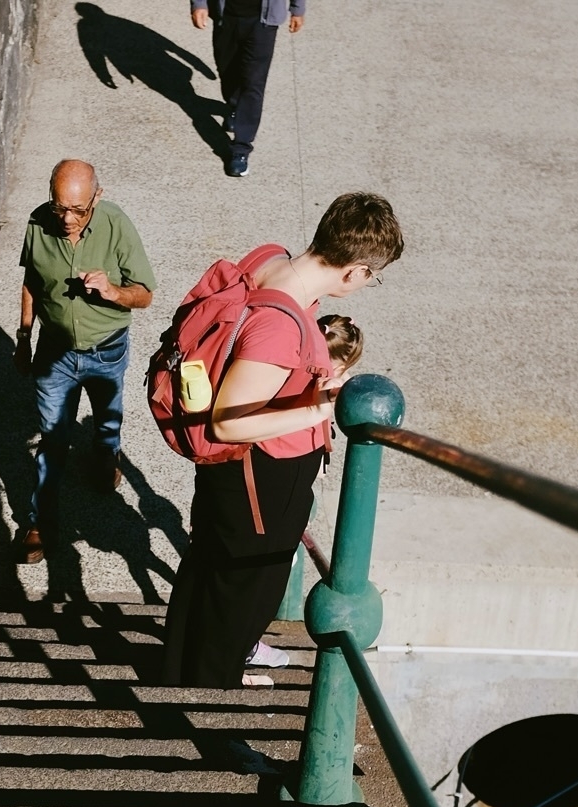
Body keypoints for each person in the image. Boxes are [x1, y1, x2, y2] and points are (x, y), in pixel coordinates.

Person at [162, 192, 402, 688]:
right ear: (355, 270)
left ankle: (179, 677)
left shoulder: (270, 259)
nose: (367, 285)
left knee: (211, 571)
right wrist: (320, 406)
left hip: (238, 475)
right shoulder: (281, 323)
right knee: (241, 591)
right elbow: (229, 422)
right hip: (258, 476)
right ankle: (206, 697)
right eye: (372, 277)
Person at [14, 159, 158, 564]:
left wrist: (113, 291)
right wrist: (24, 336)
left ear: (97, 196)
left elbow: (145, 293)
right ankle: (38, 521)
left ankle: (106, 455)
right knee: (53, 440)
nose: (67, 219)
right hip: (55, 353)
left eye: (78, 210)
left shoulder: (116, 225)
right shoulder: (39, 223)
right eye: (60, 207)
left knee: (107, 420)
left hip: (106, 350)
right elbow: (31, 280)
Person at [244, 313, 364, 672]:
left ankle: (243, 641)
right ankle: (245, 644)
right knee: (269, 566)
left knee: (267, 562)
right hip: (283, 467)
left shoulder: (294, 370)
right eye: (343, 367)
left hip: (279, 464)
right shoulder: (319, 385)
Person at [190, 0, 306, 178]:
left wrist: (297, 9)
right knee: (227, 70)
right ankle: (235, 106)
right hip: (226, 15)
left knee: (253, 84)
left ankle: (241, 147)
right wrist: (199, 4)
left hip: (262, 23)